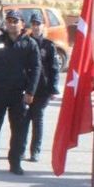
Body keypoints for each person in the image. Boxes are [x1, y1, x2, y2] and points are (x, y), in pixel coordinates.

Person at [0, 10, 39, 175]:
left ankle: (15, 163)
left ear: (22, 24)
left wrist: (31, 91)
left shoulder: (29, 44)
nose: (11, 24)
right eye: (9, 21)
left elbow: (36, 69)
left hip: (18, 94)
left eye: (15, 21)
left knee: (18, 130)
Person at [26, 14, 60, 162]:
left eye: (38, 24)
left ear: (43, 26)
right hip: (26, 87)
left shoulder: (48, 45)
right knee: (24, 119)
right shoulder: (25, 42)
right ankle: (20, 149)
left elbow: (54, 68)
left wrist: (53, 88)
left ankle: (35, 150)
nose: (35, 27)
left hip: (42, 88)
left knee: (37, 118)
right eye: (33, 24)